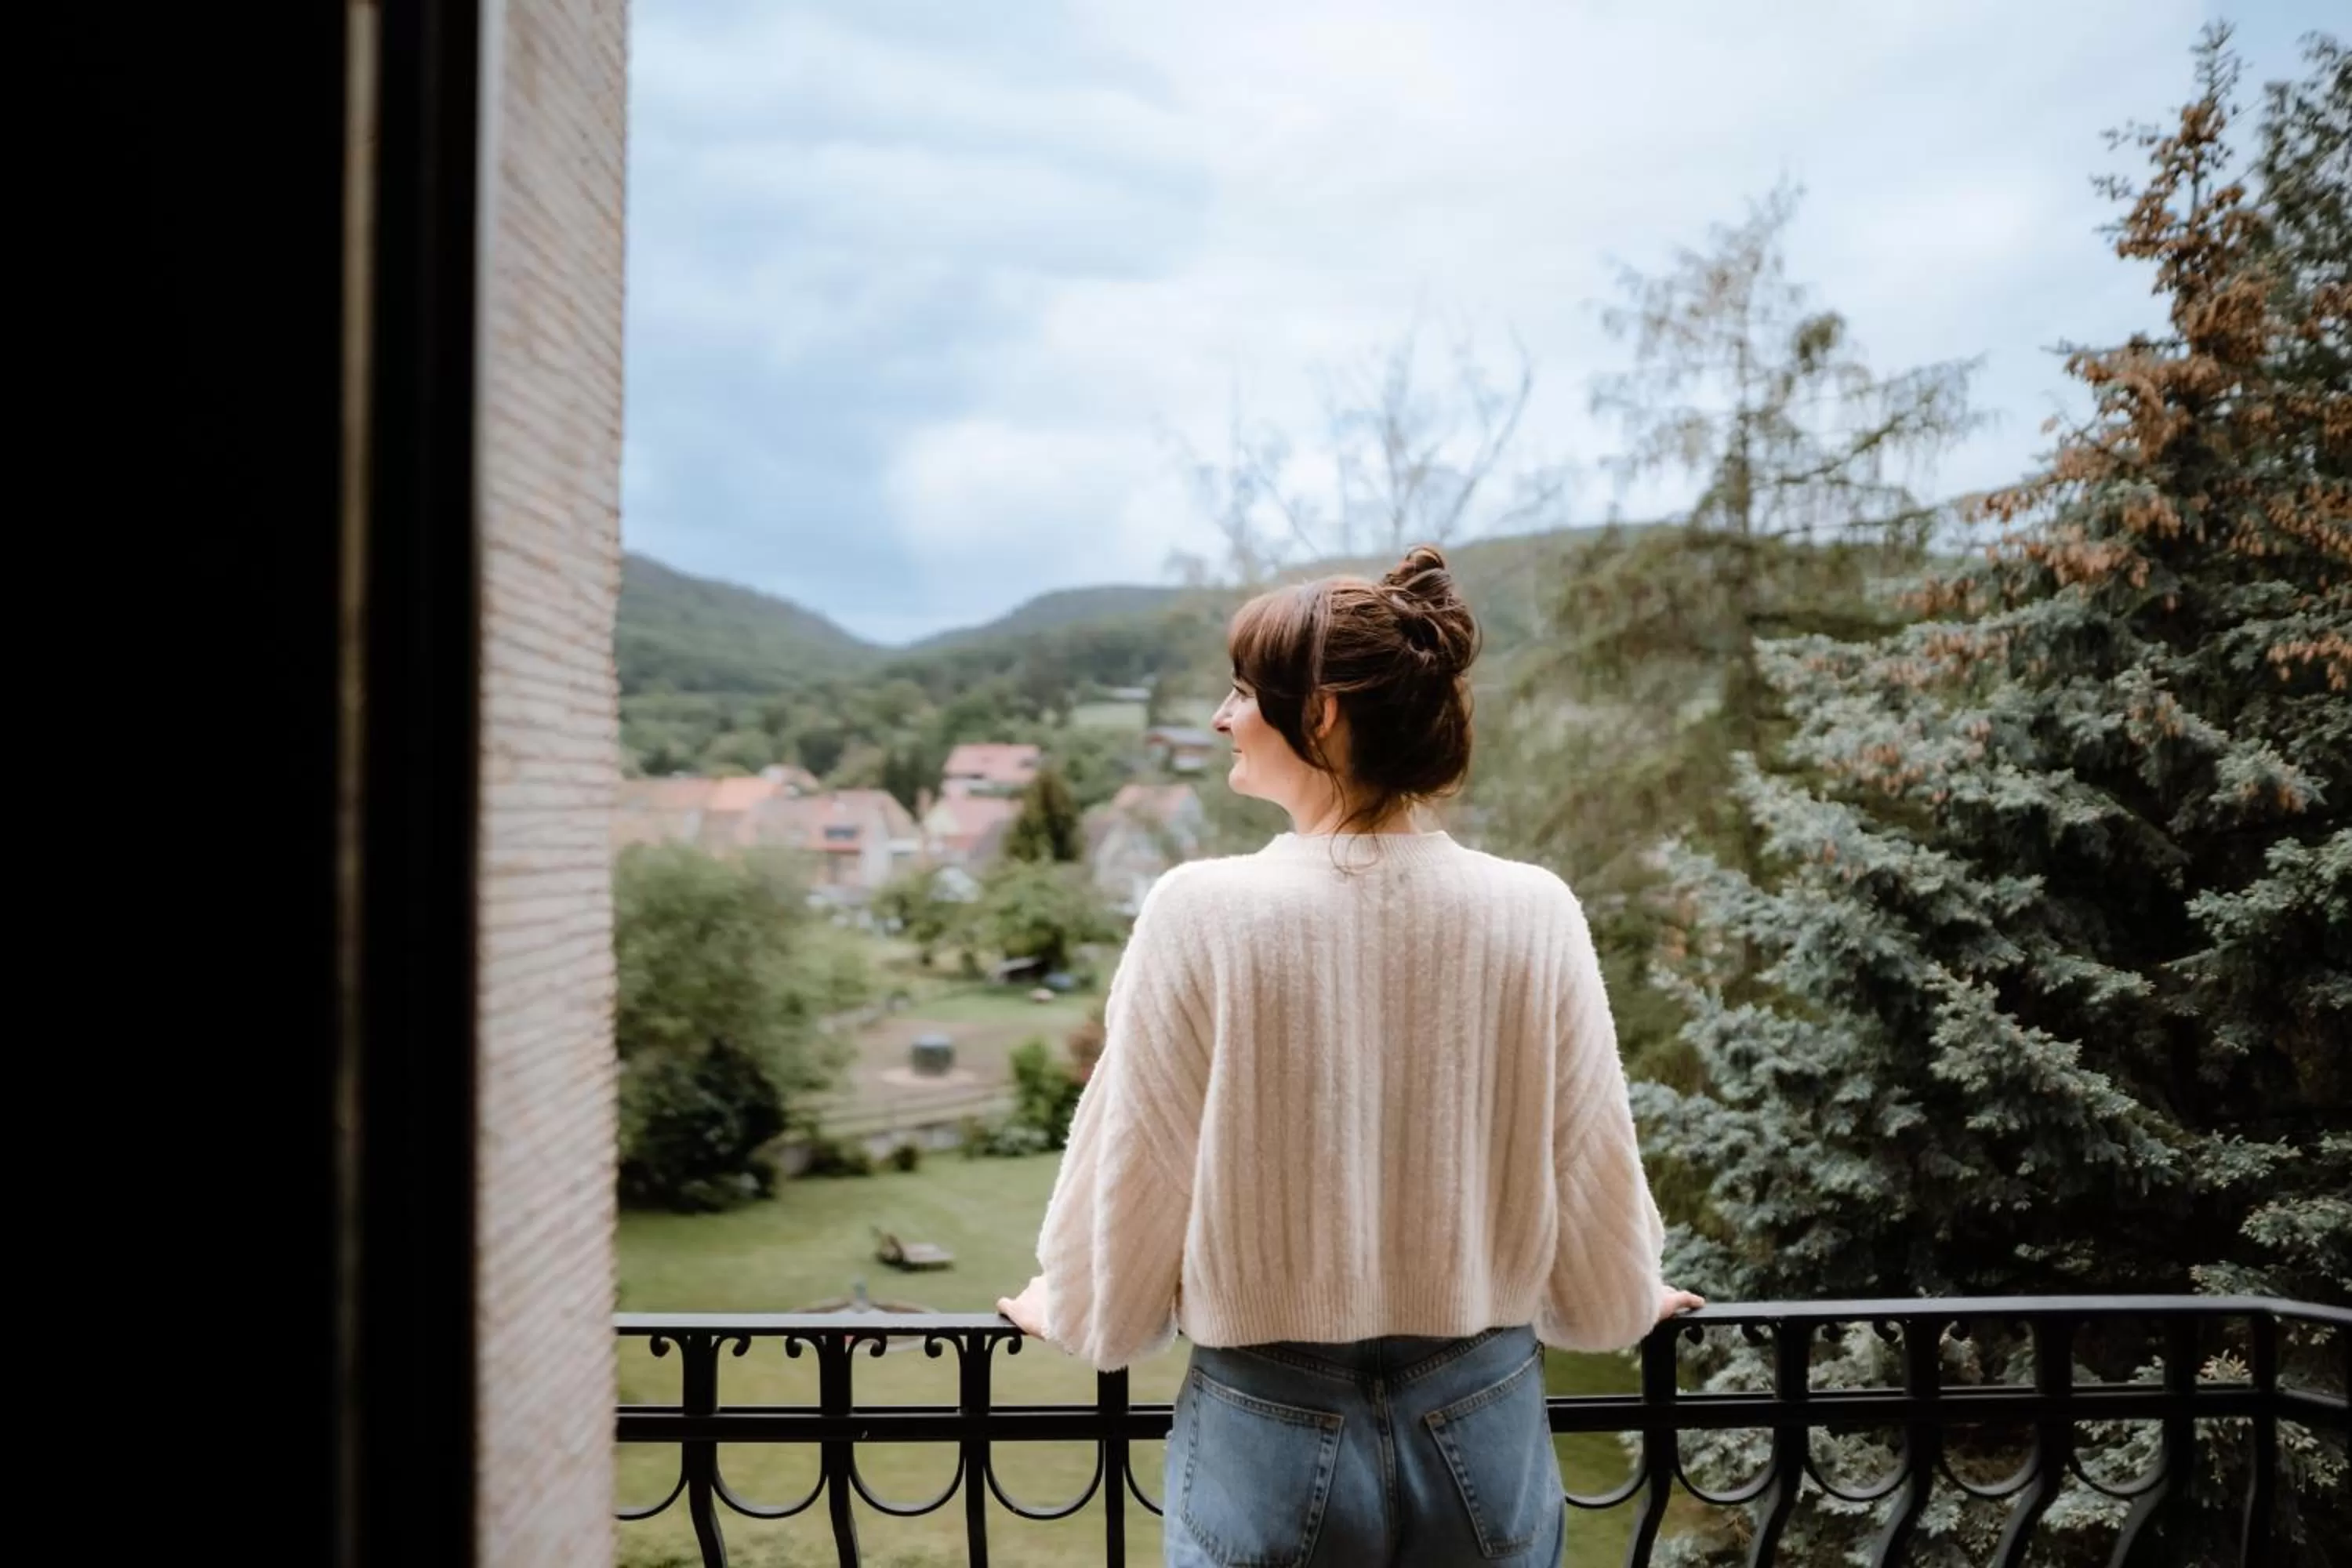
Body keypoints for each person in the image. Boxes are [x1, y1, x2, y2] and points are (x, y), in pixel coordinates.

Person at [997, 544, 1703, 1567]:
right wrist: (1627, 1293)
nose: (1221, 717)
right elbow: (1585, 1143)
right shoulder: (1533, 908)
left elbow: (1138, 1156)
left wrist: (1072, 1303)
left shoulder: (1201, 910)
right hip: (1484, 1417)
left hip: (1267, 1423)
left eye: (1242, 691)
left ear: (1319, 711)